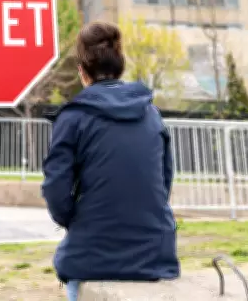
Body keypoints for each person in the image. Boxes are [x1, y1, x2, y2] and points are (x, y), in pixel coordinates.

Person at [41, 20, 180, 301]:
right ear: (120, 67)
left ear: (82, 72)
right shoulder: (151, 115)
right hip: (155, 254)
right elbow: (163, 181)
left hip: (90, 254)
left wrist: (77, 222)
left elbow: (56, 190)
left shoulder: (73, 118)